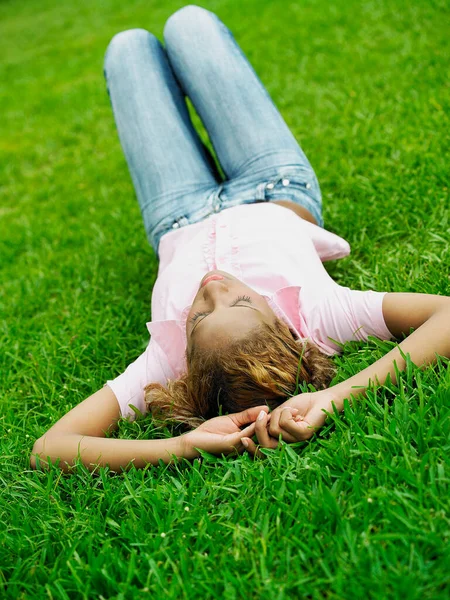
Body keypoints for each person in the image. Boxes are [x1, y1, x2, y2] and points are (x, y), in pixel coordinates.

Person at [30, 6, 450, 473]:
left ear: (187, 360)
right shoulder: (319, 314)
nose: (213, 288)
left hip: (177, 214)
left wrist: (181, 447)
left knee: (127, 47)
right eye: (244, 303)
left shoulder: (165, 363)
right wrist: (333, 398)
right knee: (189, 23)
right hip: (272, 184)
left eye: (198, 320)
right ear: (286, 326)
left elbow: (50, 449)